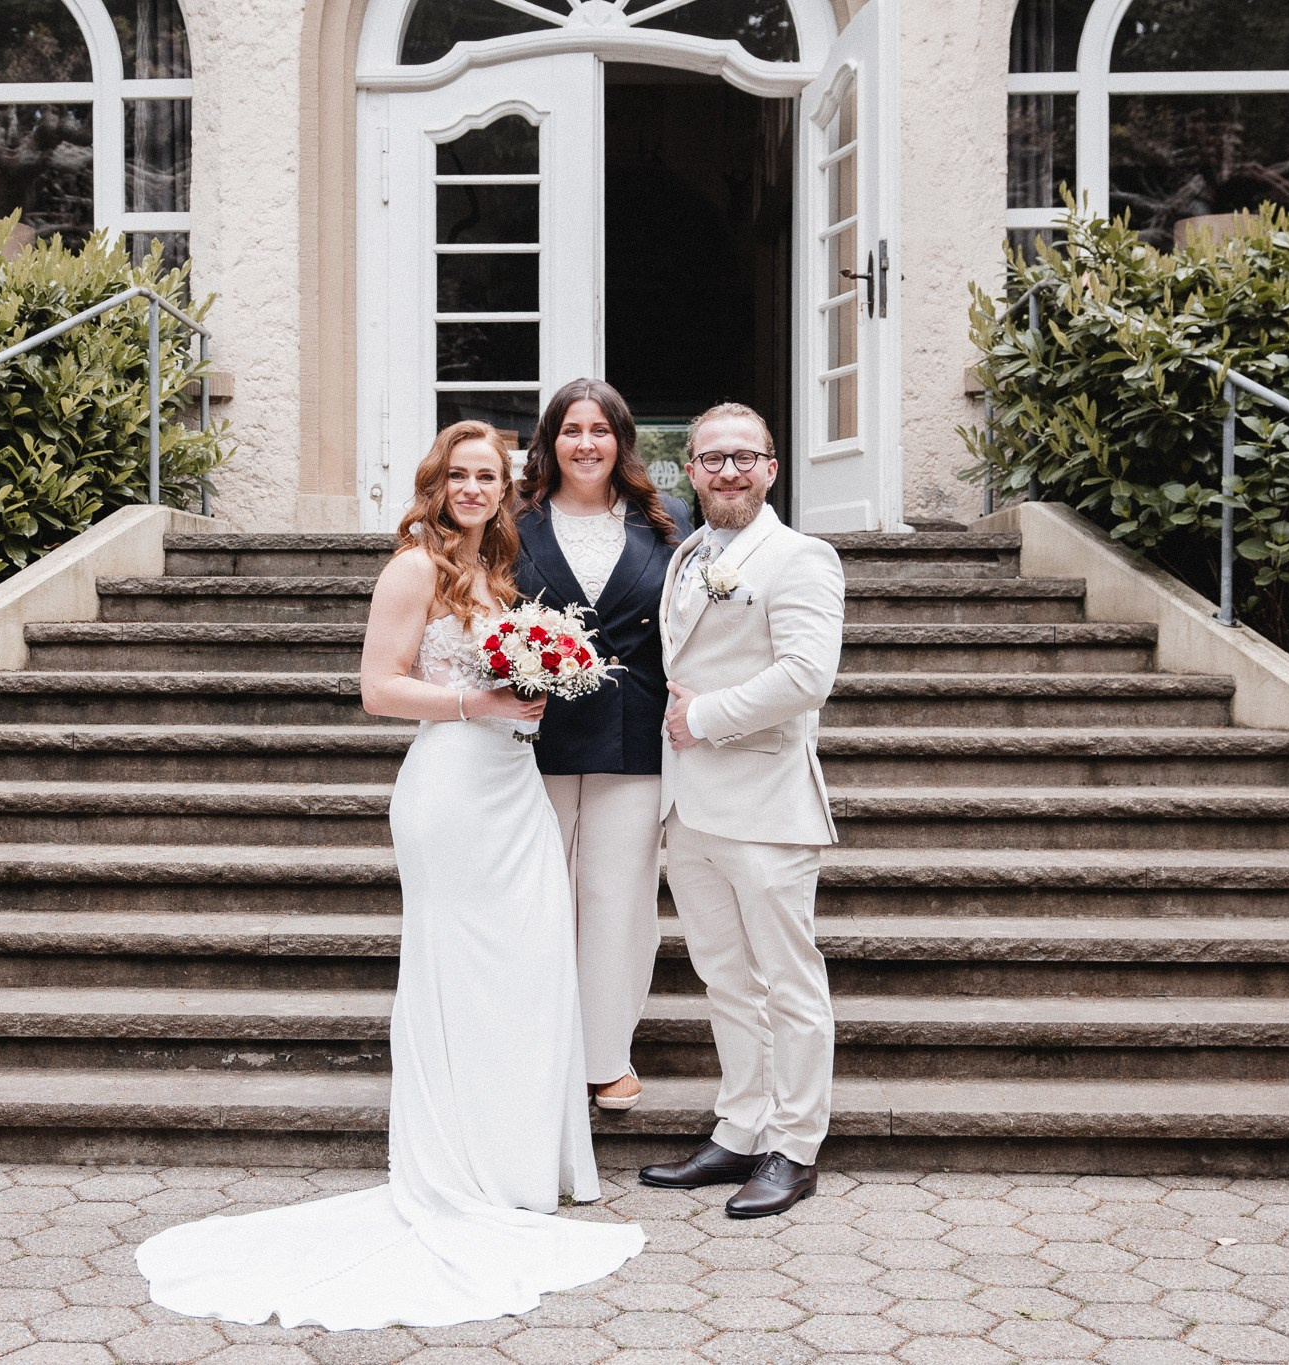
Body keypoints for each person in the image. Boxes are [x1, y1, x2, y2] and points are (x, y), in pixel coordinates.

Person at [136, 421, 646, 1328]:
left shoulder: (500, 569)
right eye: (460, 474)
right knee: (454, 975)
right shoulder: (414, 565)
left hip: (512, 789)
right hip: (448, 793)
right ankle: (457, 1170)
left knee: (524, 974)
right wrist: (474, 701)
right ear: (437, 481)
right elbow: (378, 686)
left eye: (489, 474)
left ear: (507, 485)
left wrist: (534, 692)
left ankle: (517, 1165)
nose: (475, 488)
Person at [638, 401, 845, 1220]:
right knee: (727, 980)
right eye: (712, 458)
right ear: (689, 469)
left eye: (744, 457)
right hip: (689, 806)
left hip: (765, 802)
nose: (728, 471)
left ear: (771, 468)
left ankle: (794, 1150)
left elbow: (806, 677)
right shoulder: (689, 552)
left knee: (790, 985)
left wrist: (706, 717)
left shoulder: (801, 558)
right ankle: (740, 1126)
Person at [514, 379, 691, 1113]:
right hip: (533, 732)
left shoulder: (669, 519)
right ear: (550, 441)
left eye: (600, 429)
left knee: (618, 900)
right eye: (570, 429)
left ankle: (606, 1057)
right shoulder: (512, 521)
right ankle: (535, 1049)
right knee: (536, 894)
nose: (586, 443)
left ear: (622, 440)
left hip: (634, 733)